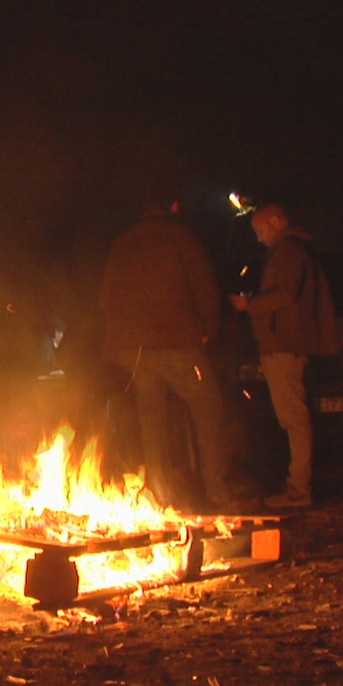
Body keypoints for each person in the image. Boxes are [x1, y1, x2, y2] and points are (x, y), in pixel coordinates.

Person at [100, 185, 231, 512]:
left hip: (134, 349)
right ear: (174, 206)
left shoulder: (123, 242)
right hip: (176, 341)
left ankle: (161, 496)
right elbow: (204, 283)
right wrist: (210, 329)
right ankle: (217, 489)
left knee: (152, 417)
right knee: (207, 406)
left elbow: (104, 298)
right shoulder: (181, 237)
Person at [229, 204, 339, 510]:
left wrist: (249, 305)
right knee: (293, 418)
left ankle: (299, 490)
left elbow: (286, 294)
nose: (259, 238)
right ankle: (297, 487)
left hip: (284, 346)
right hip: (282, 344)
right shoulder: (290, 249)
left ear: (276, 222)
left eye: (260, 230)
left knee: (294, 420)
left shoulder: (288, 250)